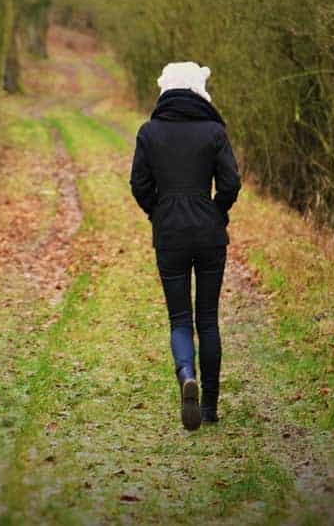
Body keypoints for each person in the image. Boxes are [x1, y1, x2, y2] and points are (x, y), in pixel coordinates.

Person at [129, 61, 241, 431]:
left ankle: (186, 375)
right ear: (197, 89)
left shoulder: (149, 132)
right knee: (207, 319)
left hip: (170, 235)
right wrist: (216, 211)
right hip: (209, 234)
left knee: (179, 319)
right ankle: (208, 408)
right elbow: (231, 182)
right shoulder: (214, 131)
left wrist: (157, 212)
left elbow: (139, 184)